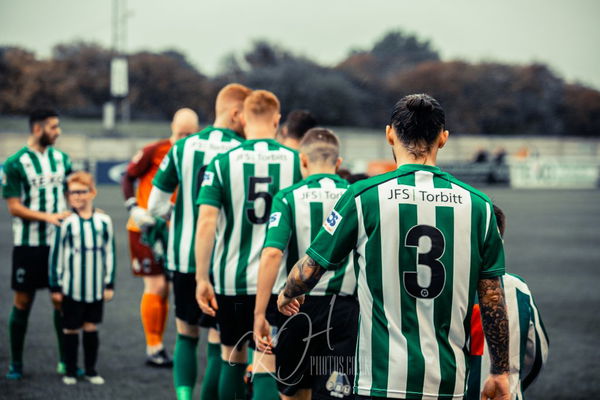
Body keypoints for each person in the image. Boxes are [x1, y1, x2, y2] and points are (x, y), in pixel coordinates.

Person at [278, 94, 511, 400]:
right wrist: (500, 371)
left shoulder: (363, 196)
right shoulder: (479, 205)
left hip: (377, 380)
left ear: (389, 134)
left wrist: (287, 293)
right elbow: (493, 297)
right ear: (443, 139)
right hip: (445, 382)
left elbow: (310, 268)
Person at [195, 90, 302, 400]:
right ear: (277, 120)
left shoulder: (221, 162)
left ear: (243, 117)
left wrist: (202, 278)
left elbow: (205, 224)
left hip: (231, 279)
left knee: (232, 357)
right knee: (267, 360)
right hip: (279, 282)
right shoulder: (295, 162)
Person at [147, 83, 252, 400]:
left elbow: (154, 205)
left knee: (185, 333)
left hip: (184, 256)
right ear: (236, 113)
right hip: (226, 261)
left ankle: (183, 397)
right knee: (224, 342)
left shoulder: (183, 146)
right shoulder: (244, 150)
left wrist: (178, 216)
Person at [254, 127, 358, 400]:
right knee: (336, 393)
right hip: (343, 309)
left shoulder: (287, 196)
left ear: (302, 160)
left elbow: (272, 254)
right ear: (338, 163)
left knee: (293, 393)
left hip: (295, 308)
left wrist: (259, 314)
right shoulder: (355, 196)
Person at [121, 108, 199, 367]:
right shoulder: (155, 150)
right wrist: (133, 206)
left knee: (169, 288)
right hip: (146, 228)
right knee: (156, 287)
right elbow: (128, 175)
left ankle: (166, 344)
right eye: (180, 133)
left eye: (189, 134)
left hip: (178, 231)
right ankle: (153, 346)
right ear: (171, 128)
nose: (184, 138)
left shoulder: (197, 153)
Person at [2, 109, 72, 379]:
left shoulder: (62, 159)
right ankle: (16, 363)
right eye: (53, 127)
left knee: (61, 301)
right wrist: (48, 217)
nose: (58, 132)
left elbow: (71, 193)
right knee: (23, 301)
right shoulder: (15, 163)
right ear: (37, 128)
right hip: (28, 246)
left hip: (59, 244)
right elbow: (14, 207)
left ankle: (65, 360)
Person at [466, 205, 549, 400]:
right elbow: (536, 354)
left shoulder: (434, 289)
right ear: (499, 243)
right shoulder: (517, 289)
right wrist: (514, 383)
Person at [49, 171, 116, 385]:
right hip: (71, 288)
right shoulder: (66, 223)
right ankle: (70, 371)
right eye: (72, 193)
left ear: (92, 193)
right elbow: (56, 255)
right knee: (70, 328)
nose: (77, 196)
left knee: (90, 327)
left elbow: (110, 253)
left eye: (81, 191)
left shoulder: (104, 221)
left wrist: (109, 283)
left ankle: (90, 370)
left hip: (95, 288)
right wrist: (55, 286)